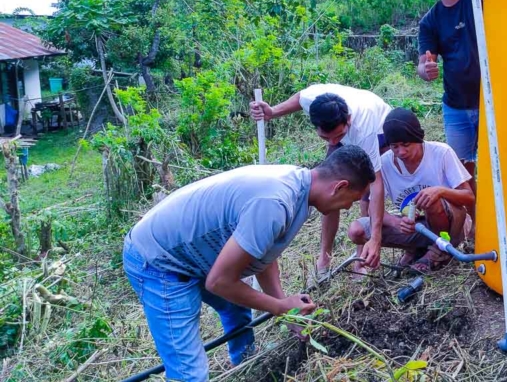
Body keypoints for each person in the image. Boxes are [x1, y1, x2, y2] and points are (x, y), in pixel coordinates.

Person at [123, 145, 375, 381]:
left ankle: (246, 369)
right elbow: (219, 282)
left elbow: (262, 256)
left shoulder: (301, 189)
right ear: (339, 186)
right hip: (160, 261)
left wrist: (288, 313)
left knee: (238, 310)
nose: (348, 207)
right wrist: (279, 307)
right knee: (189, 372)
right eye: (352, 200)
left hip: (195, 251)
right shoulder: (274, 203)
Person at [250, 83, 391, 276]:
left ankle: (362, 257)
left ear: (348, 120)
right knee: (329, 190)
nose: (333, 143)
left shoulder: (363, 128)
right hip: (350, 132)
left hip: (379, 129)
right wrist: (272, 112)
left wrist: (376, 237)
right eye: (326, 138)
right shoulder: (313, 99)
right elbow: (299, 98)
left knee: (363, 191)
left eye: (338, 136)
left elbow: (376, 184)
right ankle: (324, 258)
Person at [348, 108, 475, 271]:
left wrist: (440, 191)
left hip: (453, 227)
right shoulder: (384, 164)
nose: (401, 152)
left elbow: (469, 197)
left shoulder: (441, 153)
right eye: (395, 146)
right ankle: (417, 248)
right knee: (357, 230)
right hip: (418, 227)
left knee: (430, 199)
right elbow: (374, 208)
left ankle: (438, 251)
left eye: (406, 145)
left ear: (418, 138)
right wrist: (396, 222)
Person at [417, 0, 485, 235]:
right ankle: (477, 226)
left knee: (503, 164)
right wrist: (426, 69)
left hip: (492, 101)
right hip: (456, 106)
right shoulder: (430, 21)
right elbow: (423, 64)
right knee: (461, 171)